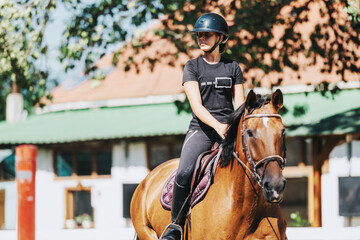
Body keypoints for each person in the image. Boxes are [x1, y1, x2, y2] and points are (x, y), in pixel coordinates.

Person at [162, 13, 245, 240]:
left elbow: (240, 105)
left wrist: (233, 127)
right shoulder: (192, 67)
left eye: (206, 35)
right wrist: (219, 127)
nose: (202, 38)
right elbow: (197, 107)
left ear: (220, 38)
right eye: (199, 35)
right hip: (202, 131)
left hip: (229, 130)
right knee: (185, 171)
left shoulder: (234, 68)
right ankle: (175, 227)